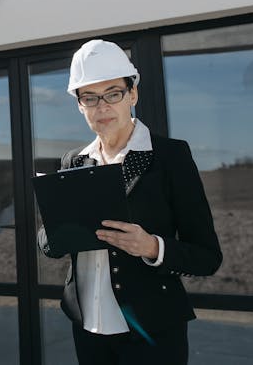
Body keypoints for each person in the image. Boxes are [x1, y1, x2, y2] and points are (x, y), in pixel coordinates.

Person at [39, 39, 223, 364]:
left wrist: (152, 246)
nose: (102, 106)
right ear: (79, 105)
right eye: (90, 98)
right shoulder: (74, 161)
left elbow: (207, 256)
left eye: (113, 93)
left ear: (132, 94)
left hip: (152, 329)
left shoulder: (169, 157)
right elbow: (49, 241)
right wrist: (54, 229)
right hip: (87, 326)